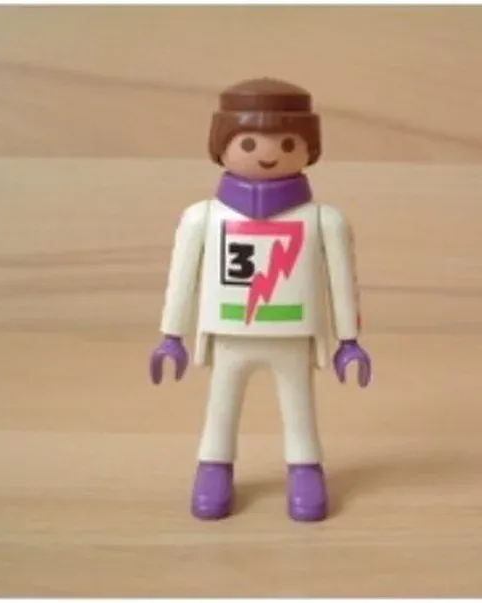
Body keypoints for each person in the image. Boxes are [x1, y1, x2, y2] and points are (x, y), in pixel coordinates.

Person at [150, 77, 372, 522]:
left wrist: (349, 340)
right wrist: (171, 335)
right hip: (230, 333)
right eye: (248, 143)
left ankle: (305, 469)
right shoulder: (204, 218)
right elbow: (182, 278)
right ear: (221, 146)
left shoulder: (323, 220)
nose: (268, 154)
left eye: (288, 143)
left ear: (310, 148)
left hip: (292, 335)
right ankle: (214, 467)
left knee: (299, 407)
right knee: (221, 406)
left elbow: (341, 282)